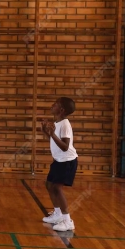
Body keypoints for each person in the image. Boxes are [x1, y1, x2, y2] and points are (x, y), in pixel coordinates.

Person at [41, 97, 79, 232]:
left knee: (57, 188)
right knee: (49, 185)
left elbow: (65, 147)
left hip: (67, 161)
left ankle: (68, 221)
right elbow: (54, 140)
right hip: (58, 160)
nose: (52, 105)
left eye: (55, 104)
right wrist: (46, 132)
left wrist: (52, 134)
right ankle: (57, 214)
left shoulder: (65, 124)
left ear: (61, 110)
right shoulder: (57, 122)